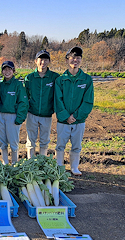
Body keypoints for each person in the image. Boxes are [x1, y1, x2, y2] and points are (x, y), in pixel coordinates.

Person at [54, 46, 94, 176]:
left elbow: (88, 101)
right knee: (60, 145)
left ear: (81, 60)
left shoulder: (86, 79)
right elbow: (58, 100)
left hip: (78, 121)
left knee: (76, 146)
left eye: (78, 58)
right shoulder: (60, 80)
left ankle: (74, 167)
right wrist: (66, 116)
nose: (75, 60)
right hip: (63, 121)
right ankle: (59, 166)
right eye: (72, 57)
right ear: (67, 60)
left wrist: (76, 116)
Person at [24, 50, 60, 159]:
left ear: (49, 61)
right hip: (32, 114)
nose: (43, 62)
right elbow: (25, 96)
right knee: (31, 140)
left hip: (46, 114)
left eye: (45, 60)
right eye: (41, 59)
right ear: (36, 61)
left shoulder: (54, 77)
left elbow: (58, 95)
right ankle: (30, 161)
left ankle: (42, 162)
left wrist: (53, 109)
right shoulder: (29, 78)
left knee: (44, 140)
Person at [0, 61, 28, 164]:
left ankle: (14, 163)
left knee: (13, 142)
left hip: (12, 117)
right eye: (5, 69)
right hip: (0, 115)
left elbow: (23, 102)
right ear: (2, 71)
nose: (7, 71)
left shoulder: (18, 85)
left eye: (9, 69)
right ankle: (5, 162)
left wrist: (20, 118)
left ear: (13, 71)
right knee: (2, 141)